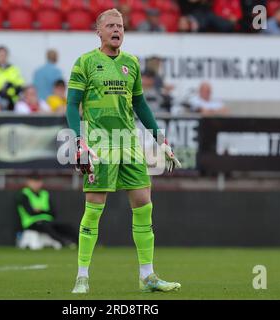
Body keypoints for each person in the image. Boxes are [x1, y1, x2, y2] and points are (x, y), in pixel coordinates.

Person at [66, 8, 181, 294]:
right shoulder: (85, 62)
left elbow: (140, 105)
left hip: (129, 144)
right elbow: (71, 104)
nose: (117, 30)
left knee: (144, 205)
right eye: (111, 26)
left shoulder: (131, 63)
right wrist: (78, 141)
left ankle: (148, 276)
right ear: (99, 31)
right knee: (93, 211)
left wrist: (160, 140)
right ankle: (82, 276)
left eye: (120, 26)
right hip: (99, 146)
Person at [15, 177, 77, 248]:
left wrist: (39, 210)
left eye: (38, 182)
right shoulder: (24, 194)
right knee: (45, 226)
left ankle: (78, 243)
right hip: (31, 223)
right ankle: (64, 243)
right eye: (34, 182)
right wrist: (44, 211)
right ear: (28, 182)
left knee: (68, 226)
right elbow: (30, 212)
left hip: (47, 221)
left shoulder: (45, 194)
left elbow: (53, 212)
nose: (36, 184)